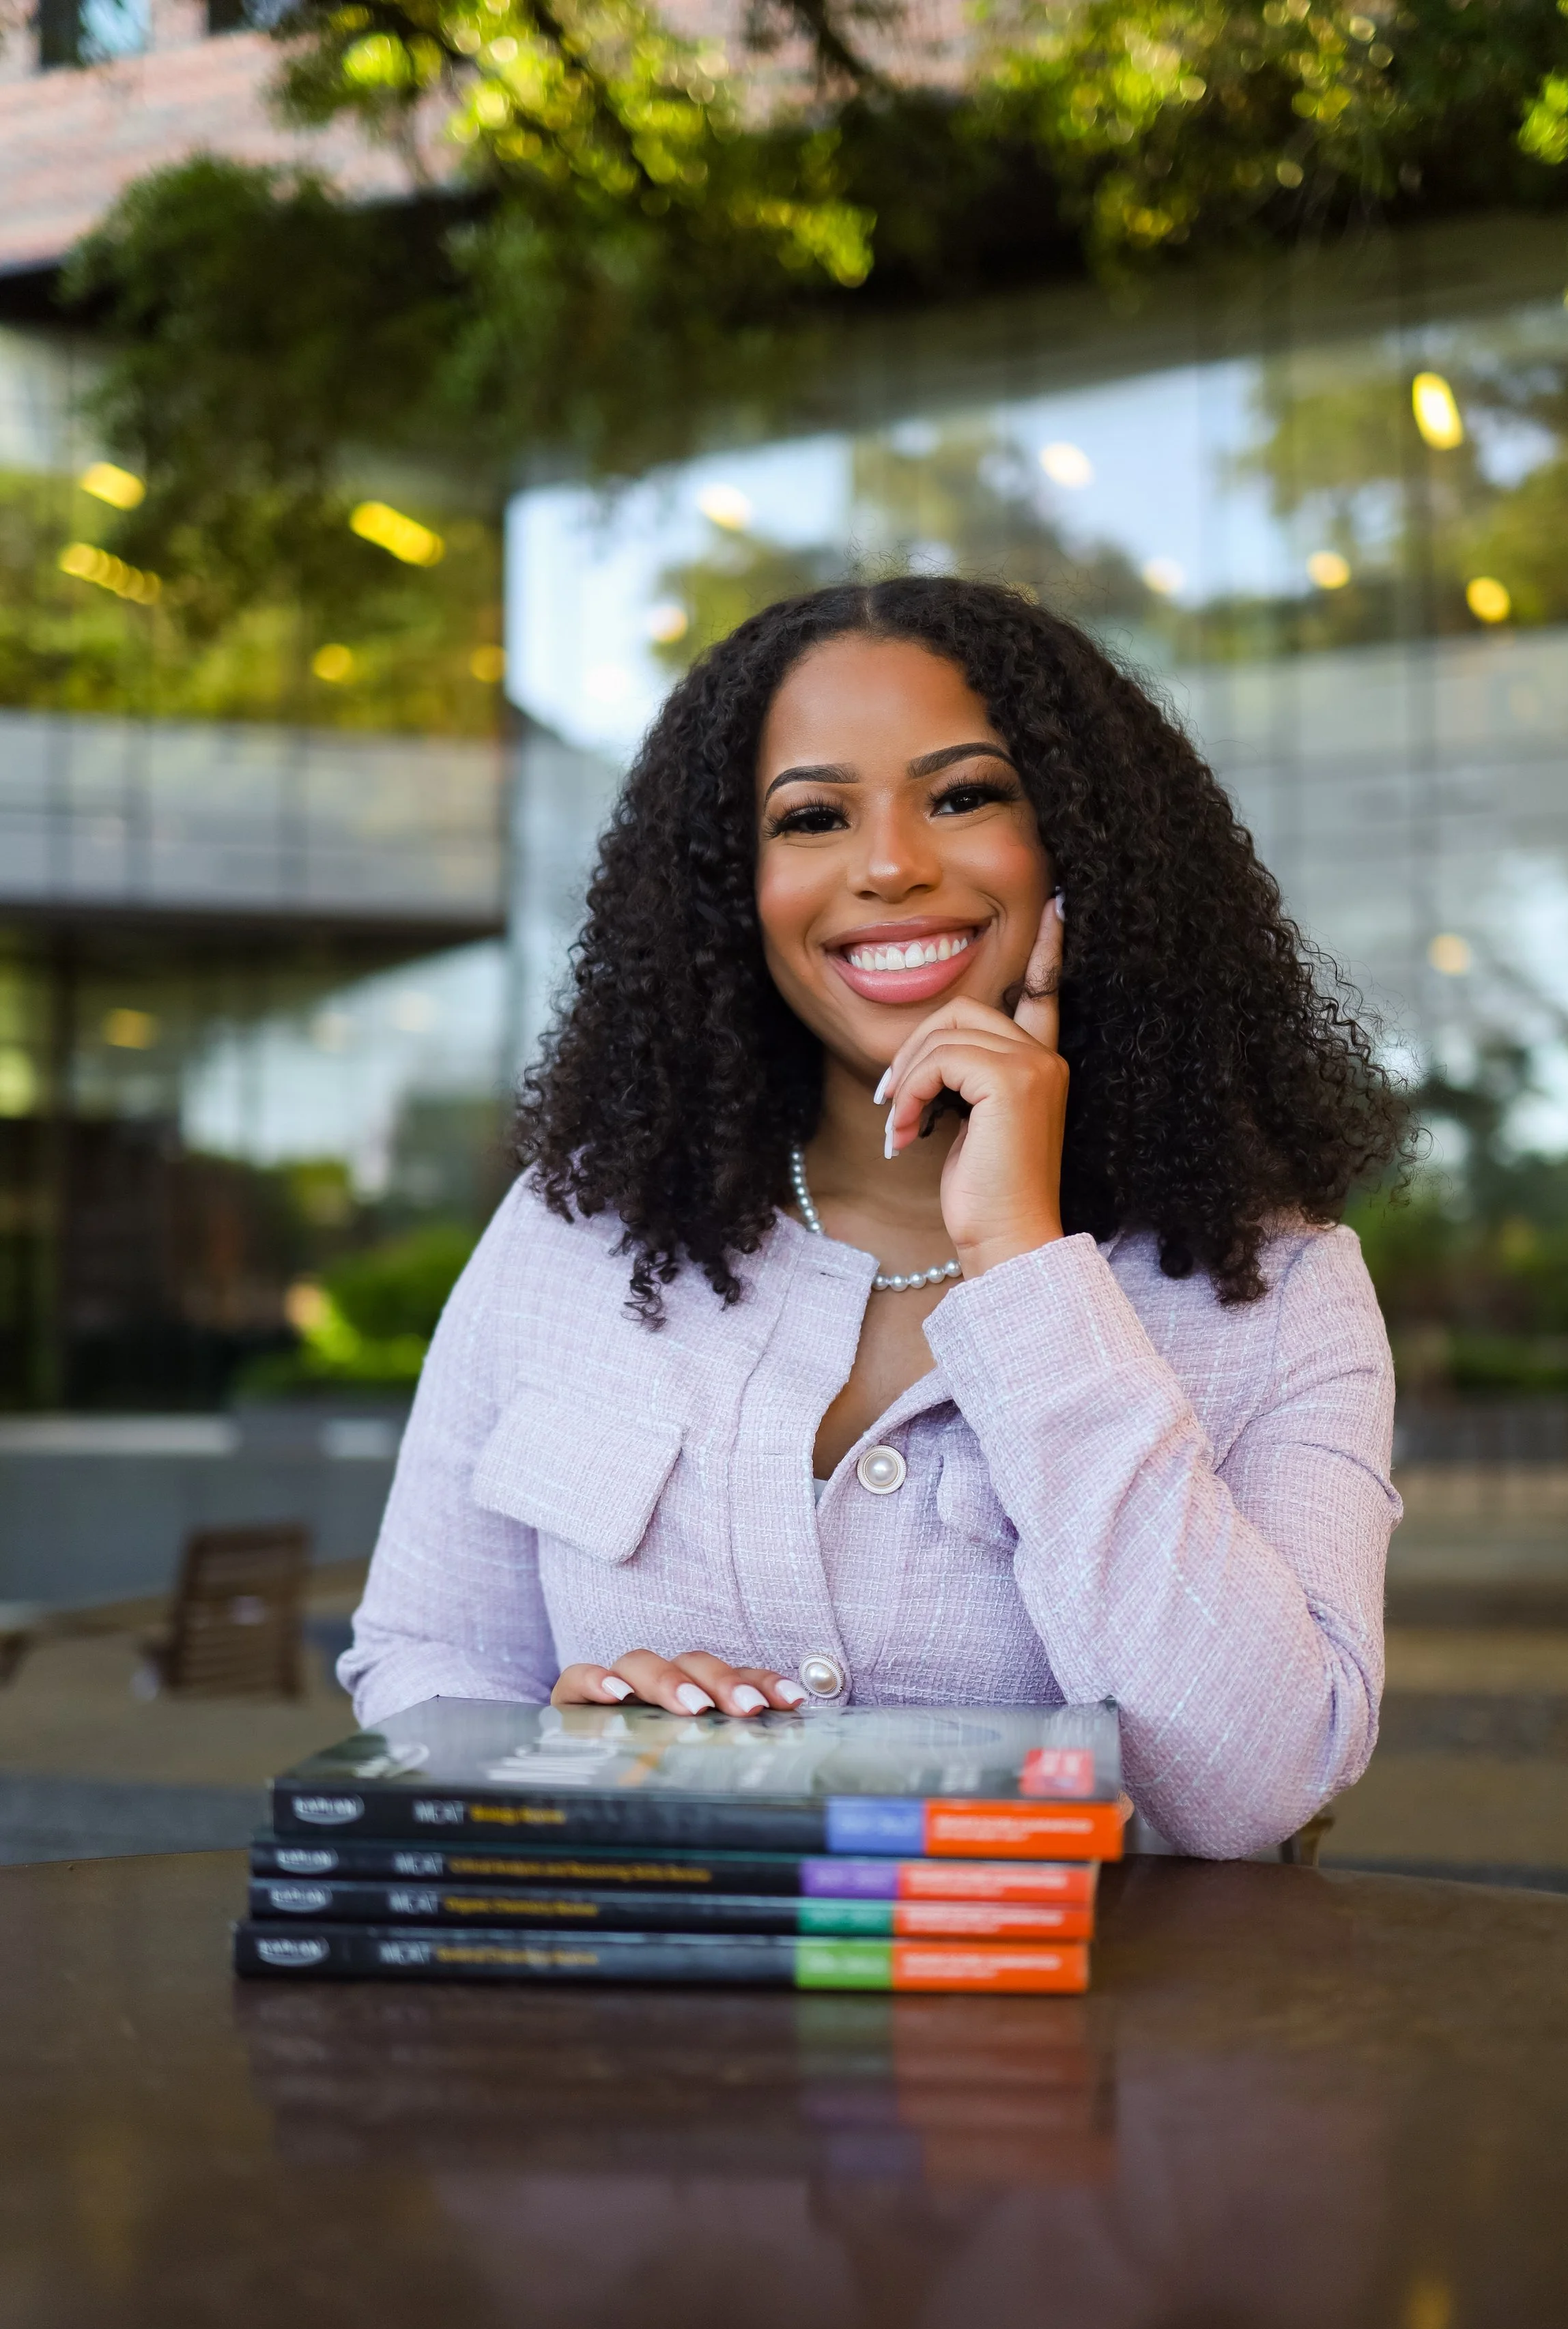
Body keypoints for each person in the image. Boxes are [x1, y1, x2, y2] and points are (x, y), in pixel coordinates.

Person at [341, 577, 1404, 1858]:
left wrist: (1022, 1256)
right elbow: (425, 1657)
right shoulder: (571, 1237)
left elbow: (1255, 1788)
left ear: (1083, 845)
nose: (891, 864)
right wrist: (556, 1750)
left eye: (963, 796)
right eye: (812, 817)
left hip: (1095, 2046)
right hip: (656, 2044)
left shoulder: (1278, 1288)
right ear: (735, 893)